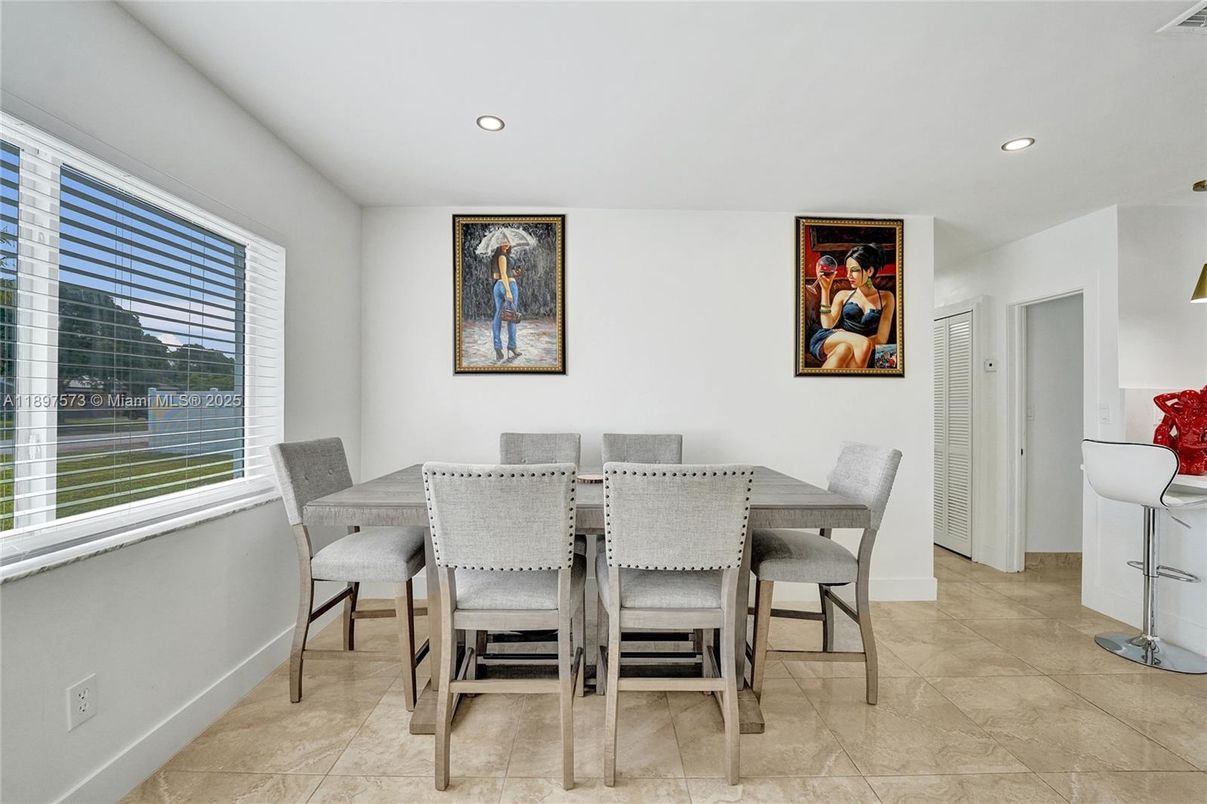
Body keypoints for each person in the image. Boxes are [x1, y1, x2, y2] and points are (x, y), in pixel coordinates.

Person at [809, 244, 897, 369]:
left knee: (844, 349)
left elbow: (881, 339)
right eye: (847, 270)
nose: (848, 275)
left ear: (869, 271)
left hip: (858, 345)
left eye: (854, 270)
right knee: (864, 343)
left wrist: (852, 339)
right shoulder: (843, 295)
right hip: (830, 337)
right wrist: (825, 290)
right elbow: (827, 325)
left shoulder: (887, 297)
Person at [489, 239, 522, 361]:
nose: (506, 243)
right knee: (512, 316)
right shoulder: (502, 256)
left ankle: (498, 347)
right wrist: (508, 290)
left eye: (508, 242)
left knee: (498, 314)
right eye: (503, 241)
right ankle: (512, 346)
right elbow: (503, 274)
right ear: (498, 243)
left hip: (498, 286)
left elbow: (497, 275)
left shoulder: (499, 256)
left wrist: (514, 272)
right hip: (508, 285)